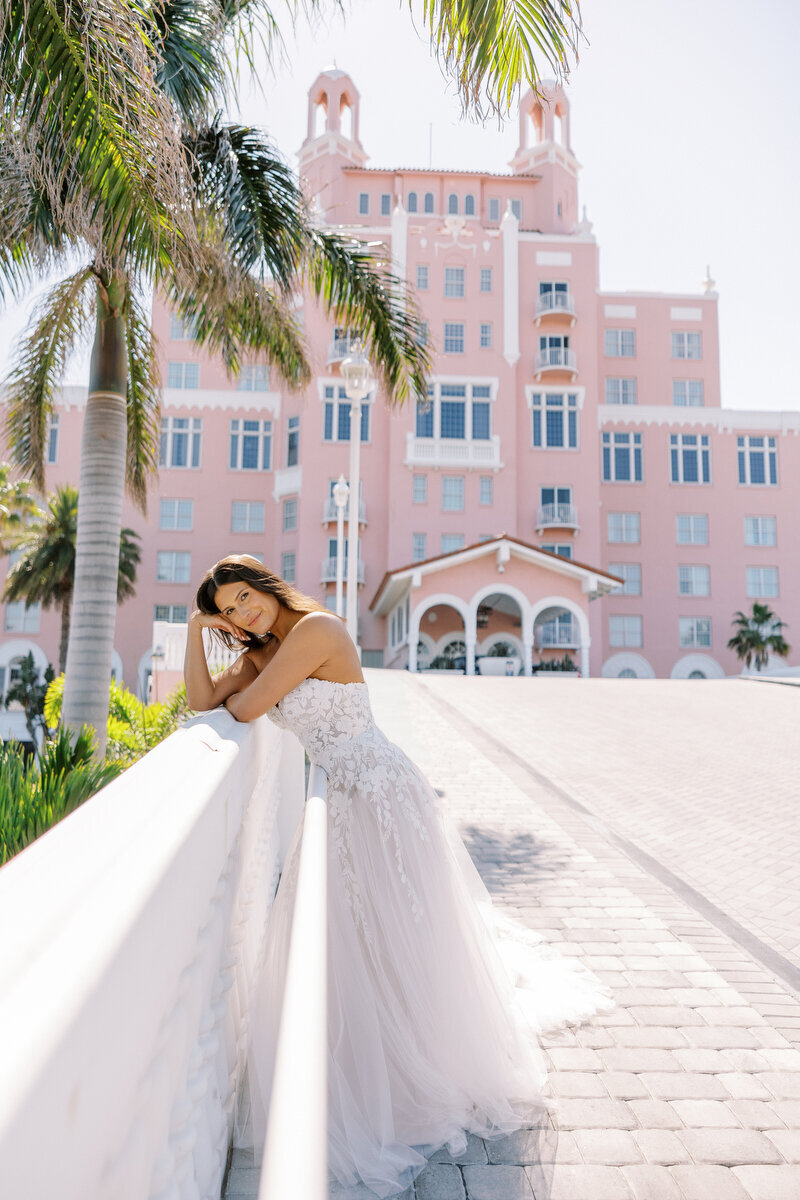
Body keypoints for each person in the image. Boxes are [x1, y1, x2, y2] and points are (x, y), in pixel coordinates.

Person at [185, 554, 612, 1198]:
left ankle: (416, 1065)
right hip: (340, 799)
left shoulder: (314, 631)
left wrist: (241, 669)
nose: (243, 614)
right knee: (355, 938)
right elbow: (200, 700)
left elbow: (244, 710)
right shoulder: (264, 649)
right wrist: (197, 634)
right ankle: (375, 1058)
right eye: (228, 612)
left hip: (379, 794)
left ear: (266, 587)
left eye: (246, 597)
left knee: (397, 935)